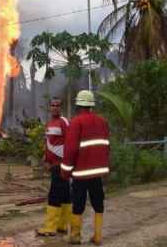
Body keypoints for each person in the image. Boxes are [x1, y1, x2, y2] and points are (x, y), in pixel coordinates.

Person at [60, 90, 110, 245]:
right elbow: (107, 145)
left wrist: (65, 172)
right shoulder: (101, 121)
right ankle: (98, 236)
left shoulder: (76, 122)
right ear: (91, 105)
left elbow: (70, 150)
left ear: (78, 105)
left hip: (81, 173)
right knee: (98, 201)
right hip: (97, 172)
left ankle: (75, 236)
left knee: (78, 202)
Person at [35, 97, 71, 236]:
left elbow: (71, 142)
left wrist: (69, 163)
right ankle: (62, 225)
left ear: (61, 108)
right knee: (65, 193)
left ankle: (51, 226)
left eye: (58, 105)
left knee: (55, 192)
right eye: (52, 105)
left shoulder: (64, 122)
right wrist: (46, 160)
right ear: (48, 107)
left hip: (62, 163)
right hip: (54, 163)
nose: (55, 107)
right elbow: (49, 144)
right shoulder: (49, 124)